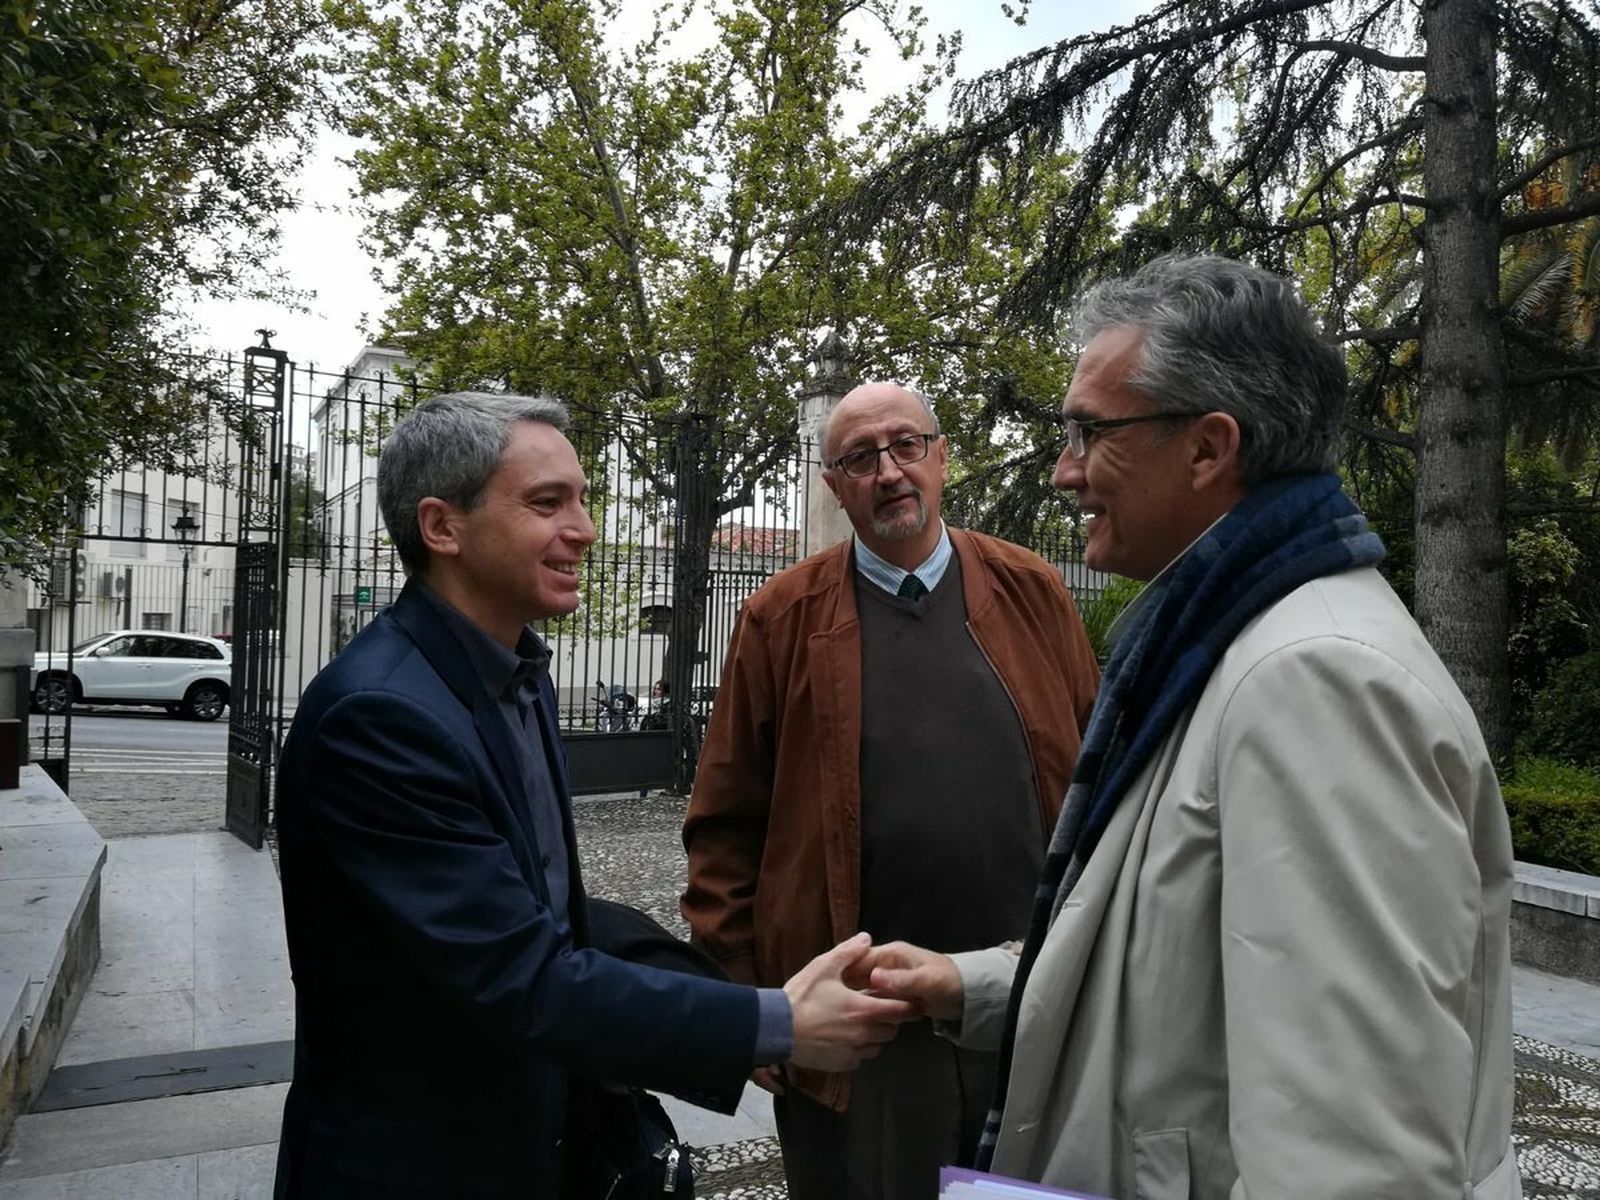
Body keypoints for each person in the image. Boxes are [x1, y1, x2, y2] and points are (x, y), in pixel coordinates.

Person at [860, 255, 1521, 1199]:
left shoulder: (1313, 683)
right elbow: (1182, 984)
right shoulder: (1221, 645)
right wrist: (973, 985)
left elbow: (1354, 1165)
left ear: (1210, 448)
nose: (1064, 470)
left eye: (1090, 431)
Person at [271, 391, 916, 1199]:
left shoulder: (514, 675)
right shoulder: (381, 718)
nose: (584, 528)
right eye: (547, 503)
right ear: (442, 528)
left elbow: (558, 912)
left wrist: (728, 1002)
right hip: (419, 1165)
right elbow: (524, 976)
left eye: (582, 499)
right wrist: (774, 1024)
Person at [682, 382, 1100, 1198]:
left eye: (907, 446)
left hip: (1022, 1009)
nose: (889, 471)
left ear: (942, 458)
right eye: (859, 458)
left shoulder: (1032, 591)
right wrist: (750, 1005)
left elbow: (1097, 783)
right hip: (861, 1035)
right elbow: (725, 824)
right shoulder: (781, 617)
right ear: (834, 486)